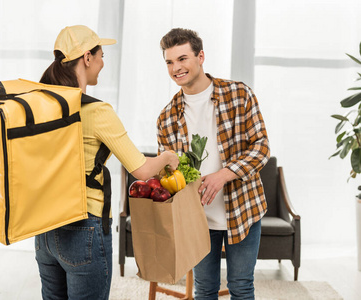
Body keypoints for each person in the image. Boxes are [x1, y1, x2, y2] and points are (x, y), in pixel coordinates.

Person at [35, 25, 179, 300]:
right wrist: (167, 158)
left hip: (44, 229)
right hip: (83, 228)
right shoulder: (98, 111)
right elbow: (141, 169)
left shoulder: (42, 106)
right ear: (87, 57)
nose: (102, 63)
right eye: (101, 55)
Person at [157, 28, 270, 300]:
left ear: (201, 56)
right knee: (204, 290)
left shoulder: (239, 94)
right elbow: (169, 174)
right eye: (170, 62)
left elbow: (261, 147)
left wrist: (223, 175)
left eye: (182, 58)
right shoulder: (167, 118)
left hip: (243, 208)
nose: (176, 68)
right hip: (197, 219)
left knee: (241, 288)